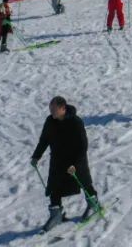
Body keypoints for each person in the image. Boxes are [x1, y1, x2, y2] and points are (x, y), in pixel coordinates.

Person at [31, 96, 101, 232]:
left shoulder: (76, 122)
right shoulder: (50, 121)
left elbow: (83, 145)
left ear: (63, 108)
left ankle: (94, 204)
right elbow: (44, 140)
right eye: (50, 109)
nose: (51, 112)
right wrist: (36, 156)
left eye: (54, 109)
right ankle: (56, 215)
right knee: (54, 186)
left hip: (76, 160)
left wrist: (75, 164)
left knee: (84, 182)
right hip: (57, 160)